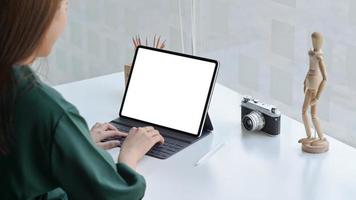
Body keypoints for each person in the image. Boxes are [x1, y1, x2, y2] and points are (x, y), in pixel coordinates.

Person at [0, 0, 164, 199]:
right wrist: (129, 156)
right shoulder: (47, 110)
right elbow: (119, 196)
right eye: (65, 6)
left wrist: (73, 148)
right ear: (37, 18)